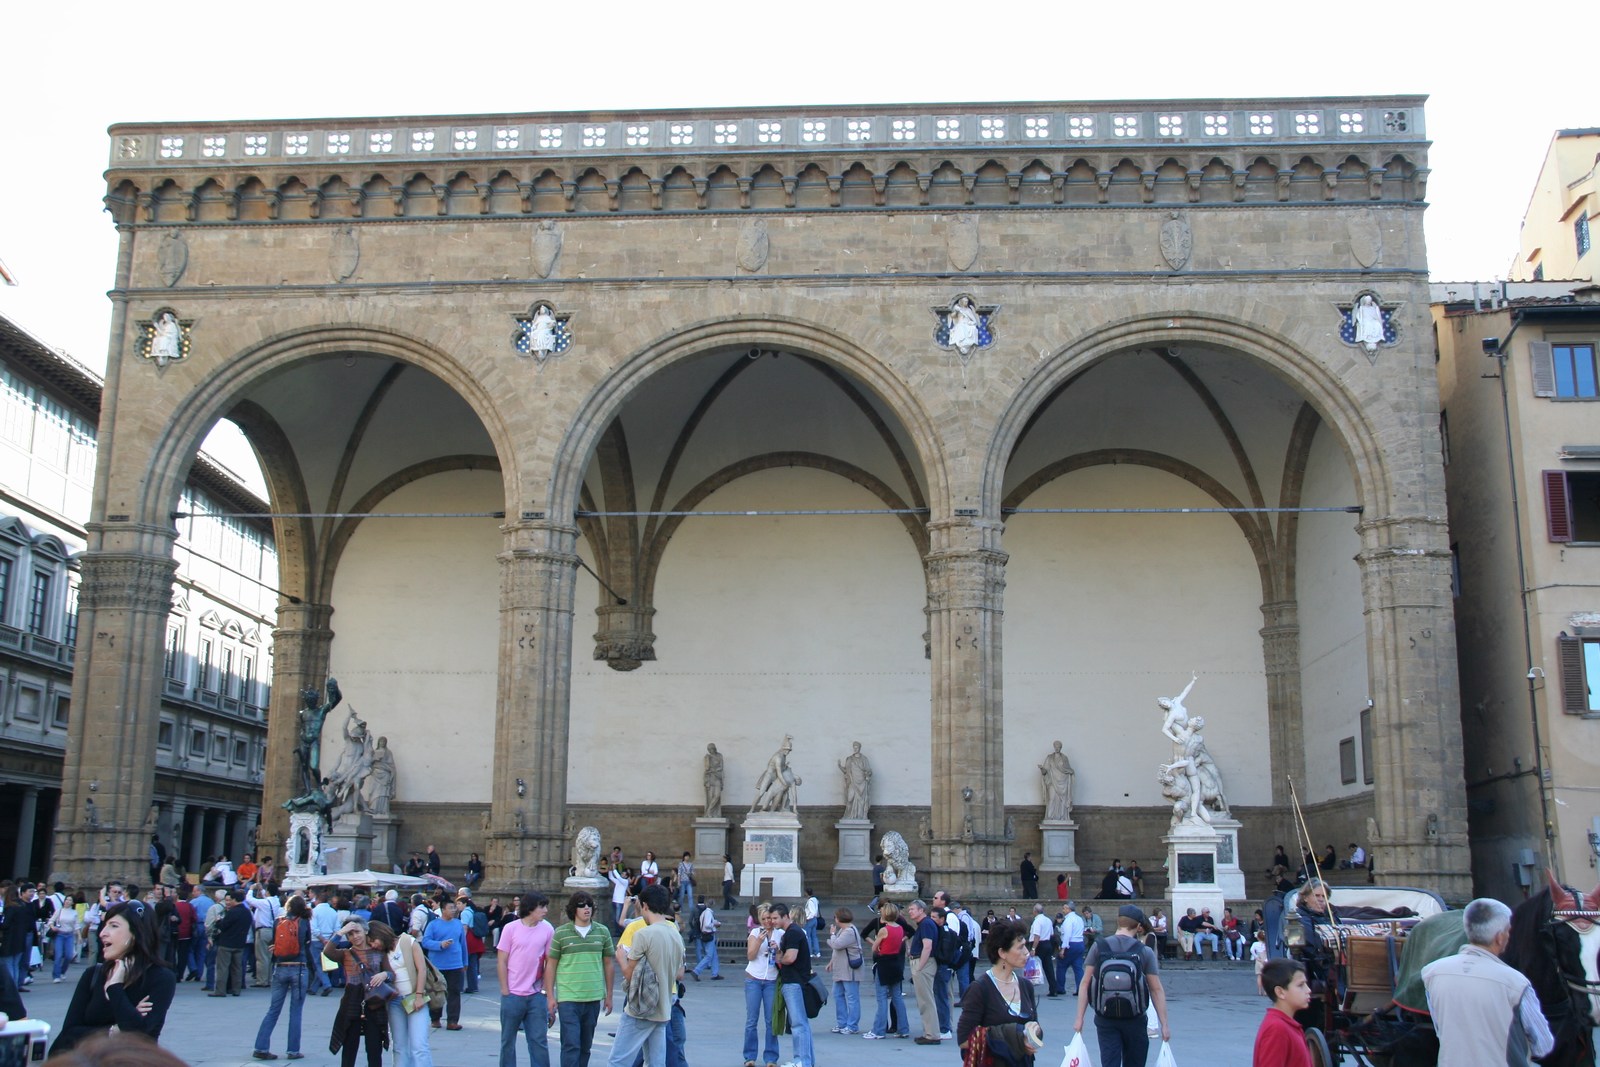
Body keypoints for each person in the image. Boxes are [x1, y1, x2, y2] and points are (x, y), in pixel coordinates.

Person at [1421, 897, 1555, 1066]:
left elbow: (1441, 1030)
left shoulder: (1432, 973)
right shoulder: (1516, 983)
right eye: (1508, 931)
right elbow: (1543, 1046)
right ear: (1499, 937)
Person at [51, 900, 177, 1054]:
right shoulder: (94, 974)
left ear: (137, 933)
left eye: (114, 926)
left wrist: (115, 987)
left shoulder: (161, 978)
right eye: (105, 925)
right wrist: (112, 1031)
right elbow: (68, 1034)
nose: (103, 933)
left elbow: (140, 1035)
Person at [1074, 905, 1169, 1067]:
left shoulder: (1099, 947)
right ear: (1139, 927)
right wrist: (1164, 1024)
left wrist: (1079, 1019)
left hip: (1105, 1018)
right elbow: (1156, 989)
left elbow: (1085, 984)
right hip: (1135, 1019)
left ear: (1118, 922)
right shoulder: (1144, 951)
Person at [607, 884, 684, 1067]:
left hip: (641, 1008)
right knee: (656, 1063)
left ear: (645, 905)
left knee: (617, 1061)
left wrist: (621, 958)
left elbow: (630, 974)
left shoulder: (643, 934)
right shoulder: (675, 934)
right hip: (663, 1007)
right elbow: (679, 973)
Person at [544, 891, 615, 1067]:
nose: (586, 908)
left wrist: (609, 996)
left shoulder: (602, 932)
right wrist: (550, 996)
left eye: (589, 905)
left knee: (585, 1046)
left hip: (593, 997)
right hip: (568, 998)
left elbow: (608, 964)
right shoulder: (561, 933)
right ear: (573, 909)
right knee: (571, 1044)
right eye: (581, 905)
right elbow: (551, 965)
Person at [956, 921, 1040, 1067]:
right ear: (1002, 953)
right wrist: (1013, 1035)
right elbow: (964, 1040)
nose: (1026, 952)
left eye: (1025, 946)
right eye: (1020, 947)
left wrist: (1034, 1033)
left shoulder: (1026, 986)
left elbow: (1034, 1028)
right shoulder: (980, 989)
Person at [322, 918, 397, 1067]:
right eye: (350, 934)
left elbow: (391, 974)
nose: (355, 936)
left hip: (374, 1002)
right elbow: (327, 952)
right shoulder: (346, 953)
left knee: (374, 1048)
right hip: (352, 1001)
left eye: (357, 932)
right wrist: (340, 933)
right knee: (349, 1048)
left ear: (365, 931)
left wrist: (384, 975)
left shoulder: (379, 952)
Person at [253, 894, 314, 1060]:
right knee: (296, 1011)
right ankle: (293, 1050)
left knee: (273, 1010)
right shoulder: (304, 922)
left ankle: (261, 1047)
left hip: (280, 968)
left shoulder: (277, 921)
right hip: (299, 968)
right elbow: (307, 943)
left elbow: (274, 943)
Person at [498, 892, 554, 1067]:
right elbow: (502, 960)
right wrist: (505, 989)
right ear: (530, 908)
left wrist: (547, 992)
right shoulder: (511, 928)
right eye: (542, 906)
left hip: (536, 995)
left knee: (539, 1041)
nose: (545, 910)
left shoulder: (547, 929)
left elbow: (550, 962)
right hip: (513, 994)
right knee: (508, 1041)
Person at [771, 903, 815, 1067]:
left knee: (798, 1024)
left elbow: (790, 958)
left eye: (776, 918)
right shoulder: (793, 932)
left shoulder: (792, 933)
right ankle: (806, 1060)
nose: (773, 921)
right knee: (802, 1024)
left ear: (785, 916)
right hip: (796, 982)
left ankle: (801, 1060)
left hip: (793, 982)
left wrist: (779, 958)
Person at [864, 901, 912, 1040]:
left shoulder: (884, 930)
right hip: (896, 962)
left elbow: (874, 948)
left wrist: (878, 947)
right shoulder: (900, 928)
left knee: (882, 998)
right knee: (897, 997)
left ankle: (878, 1030)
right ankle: (903, 1029)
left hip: (884, 963)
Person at [742, 903, 783, 1067]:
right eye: (764, 919)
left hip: (771, 980)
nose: (767, 922)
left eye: (769, 918)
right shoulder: (755, 933)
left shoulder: (780, 934)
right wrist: (759, 941)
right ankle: (749, 1056)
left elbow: (782, 958)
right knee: (752, 1020)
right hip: (754, 979)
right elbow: (750, 956)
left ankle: (771, 1057)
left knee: (770, 1020)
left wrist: (777, 949)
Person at [1252, 958, 1313, 1067]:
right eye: (1300, 985)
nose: (1308, 990)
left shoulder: (1285, 1024)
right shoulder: (1277, 1029)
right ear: (1280, 992)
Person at [420, 898, 466, 1029]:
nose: (453, 910)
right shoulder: (433, 925)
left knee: (454, 992)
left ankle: (452, 1021)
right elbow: (425, 941)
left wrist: (465, 961)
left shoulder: (458, 924)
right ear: (443, 910)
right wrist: (440, 945)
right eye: (450, 908)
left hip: (455, 964)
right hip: (437, 965)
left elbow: (463, 944)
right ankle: (435, 1018)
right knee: (436, 991)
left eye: (454, 907)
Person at [905, 899, 941, 1043]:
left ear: (921, 910)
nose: (910, 911)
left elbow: (927, 946)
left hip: (923, 963)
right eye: (909, 909)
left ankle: (932, 1035)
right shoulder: (925, 924)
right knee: (924, 1000)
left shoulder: (926, 924)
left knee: (926, 1000)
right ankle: (929, 1032)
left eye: (912, 909)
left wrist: (919, 967)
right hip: (922, 962)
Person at [826, 906, 863, 1035]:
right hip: (840, 968)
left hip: (849, 969)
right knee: (837, 994)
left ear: (838, 918)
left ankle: (852, 1025)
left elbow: (836, 945)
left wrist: (832, 934)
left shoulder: (849, 931)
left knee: (852, 997)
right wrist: (831, 962)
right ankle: (842, 1023)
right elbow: (837, 949)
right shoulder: (843, 930)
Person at [211, 890, 252, 996]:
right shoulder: (247, 912)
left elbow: (224, 926)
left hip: (226, 943)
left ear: (234, 899)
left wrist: (218, 921)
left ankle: (220, 990)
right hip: (240, 943)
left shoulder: (232, 912)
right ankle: (236, 989)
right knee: (237, 968)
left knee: (223, 968)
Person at [1027, 904, 1061, 999]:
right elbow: (1051, 934)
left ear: (1035, 911)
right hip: (1047, 943)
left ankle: (1030, 990)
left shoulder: (1037, 921)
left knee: (1033, 967)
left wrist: (1033, 948)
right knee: (1049, 967)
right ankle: (1053, 989)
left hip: (1039, 944)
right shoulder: (1048, 920)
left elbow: (1037, 936)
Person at [689, 899, 721, 981]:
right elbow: (707, 924)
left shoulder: (704, 913)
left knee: (714, 955)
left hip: (704, 934)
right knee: (709, 955)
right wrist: (715, 924)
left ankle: (715, 973)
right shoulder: (708, 913)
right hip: (709, 934)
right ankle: (696, 971)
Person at [801, 888, 820, 956]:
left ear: (807, 893)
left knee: (808, 936)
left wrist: (807, 918)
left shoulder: (810, 901)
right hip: (815, 920)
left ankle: (810, 952)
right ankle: (817, 952)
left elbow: (813, 912)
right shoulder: (815, 900)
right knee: (814, 936)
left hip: (810, 920)